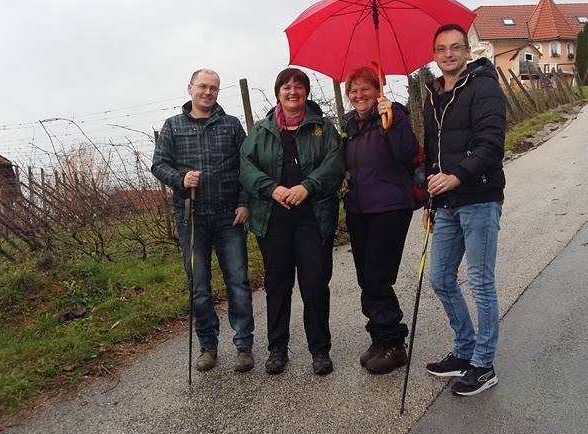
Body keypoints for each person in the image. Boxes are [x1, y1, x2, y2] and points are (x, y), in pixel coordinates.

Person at [239, 68, 345, 376]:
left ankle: (320, 350)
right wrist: (272, 189)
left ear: (306, 93)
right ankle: (277, 348)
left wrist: (307, 186)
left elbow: (335, 164)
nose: (293, 92)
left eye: (299, 87)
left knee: (314, 284)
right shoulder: (261, 131)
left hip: (313, 217)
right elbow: (246, 167)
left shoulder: (323, 128)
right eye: (286, 87)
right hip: (273, 219)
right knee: (277, 284)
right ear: (278, 93)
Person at [152, 68, 255, 373]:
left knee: (238, 282)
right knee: (199, 286)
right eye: (203, 87)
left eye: (214, 88)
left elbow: (247, 166)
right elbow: (159, 165)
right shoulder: (172, 126)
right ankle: (208, 346)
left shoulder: (231, 125)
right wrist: (181, 179)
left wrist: (244, 203)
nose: (208, 92)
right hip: (191, 218)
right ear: (190, 88)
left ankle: (244, 345)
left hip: (228, 217)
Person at [422, 24, 506, 396]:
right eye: (441, 49)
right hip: (445, 203)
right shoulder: (432, 94)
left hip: (479, 197)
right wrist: (430, 195)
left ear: (467, 52)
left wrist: (456, 176)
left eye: (456, 47)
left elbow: (491, 143)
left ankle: (483, 364)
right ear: (434, 55)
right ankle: (464, 350)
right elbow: (431, 151)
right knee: (440, 278)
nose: (449, 54)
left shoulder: (483, 85)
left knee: (480, 283)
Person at [341, 67, 420, 375]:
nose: (359, 95)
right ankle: (378, 337)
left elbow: (407, 152)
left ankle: (394, 344)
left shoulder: (393, 116)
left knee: (378, 275)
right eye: (353, 90)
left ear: (377, 91)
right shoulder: (350, 124)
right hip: (358, 209)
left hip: (390, 206)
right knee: (365, 276)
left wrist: (392, 121)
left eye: (365, 89)